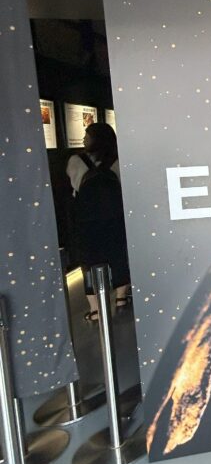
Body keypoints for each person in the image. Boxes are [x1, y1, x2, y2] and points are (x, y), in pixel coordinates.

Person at [66, 122, 132, 322]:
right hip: (116, 218)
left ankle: (95, 309)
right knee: (119, 255)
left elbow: (75, 185)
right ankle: (121, 298)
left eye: (87, 135)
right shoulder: (119, 160)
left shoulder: (77, 161)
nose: (84, 139)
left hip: (87, 221)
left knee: (88, 261)